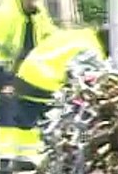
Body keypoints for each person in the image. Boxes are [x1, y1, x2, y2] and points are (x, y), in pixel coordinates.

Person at [10, 27, 105, 164]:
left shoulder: (80, 33)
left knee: (27, 122)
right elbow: (80, 78)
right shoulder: (91, 49)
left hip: (25, 73)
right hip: (45, 81)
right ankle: (44, 160)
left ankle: (22, 158)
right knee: (58, 118)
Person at [0, 0, 54, 170]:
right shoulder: (5, 13)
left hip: (32, 71)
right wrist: (5, 80)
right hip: (7, 71)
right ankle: (5, 158)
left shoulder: (39, 11)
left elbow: (49, 36)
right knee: (7, 112)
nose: (35, 2)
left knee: (29, 111)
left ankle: (26, 156)